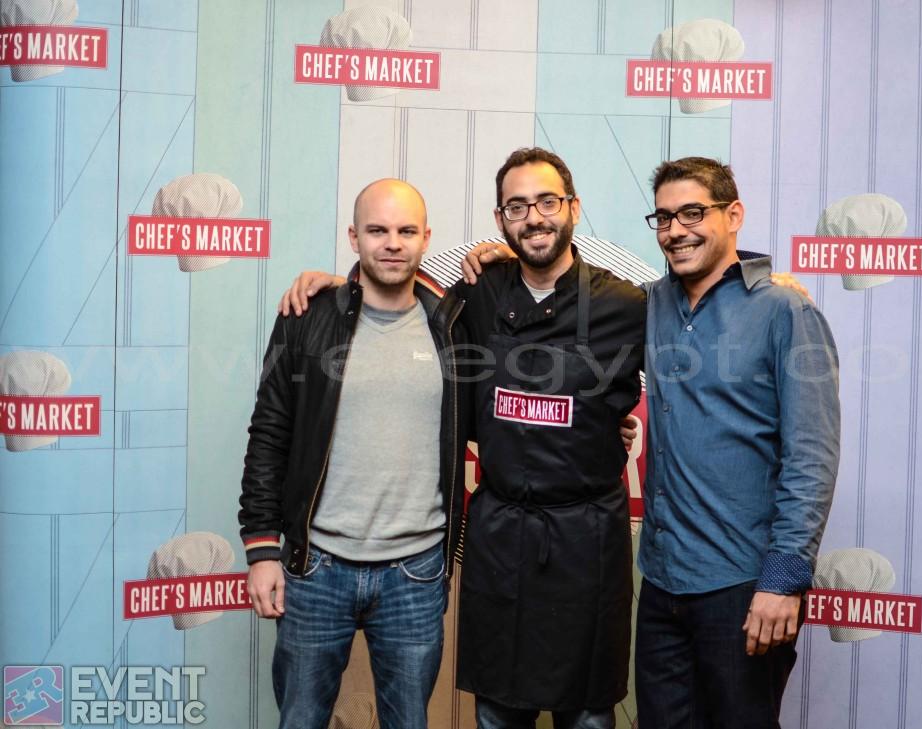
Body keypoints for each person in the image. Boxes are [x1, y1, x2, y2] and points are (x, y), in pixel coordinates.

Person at [280, 148, 646, 729]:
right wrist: (334, 286)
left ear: (574, 208)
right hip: (500, 538)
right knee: (496, 714)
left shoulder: (626, 304)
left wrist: (755, 277)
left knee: (588, 717)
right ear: (500, 219)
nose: (534, 217)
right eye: (517, 206)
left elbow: (694, 310)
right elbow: (393, 284)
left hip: (586, 543)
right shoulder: (475, 293)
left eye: (547, 202)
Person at [238, 178, 469, 729]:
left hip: (416, 571)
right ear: (353, 237)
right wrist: (262, 549)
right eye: (377, 230)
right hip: (317, 567)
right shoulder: (306, 317)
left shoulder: (454, 326)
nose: (392, 243)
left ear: (426, 238)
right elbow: (269, 434)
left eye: (406, 231)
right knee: (301, 719)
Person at [633, 157, 840, 728]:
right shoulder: (649, 304)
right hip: (662, 583)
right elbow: (572, 290)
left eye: (692, 213)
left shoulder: (785, 310)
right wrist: (500, 259)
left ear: (733, 215)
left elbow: (812, 457)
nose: (676, 230)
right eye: (664, 218)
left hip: (744, 587)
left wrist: (783, 582)